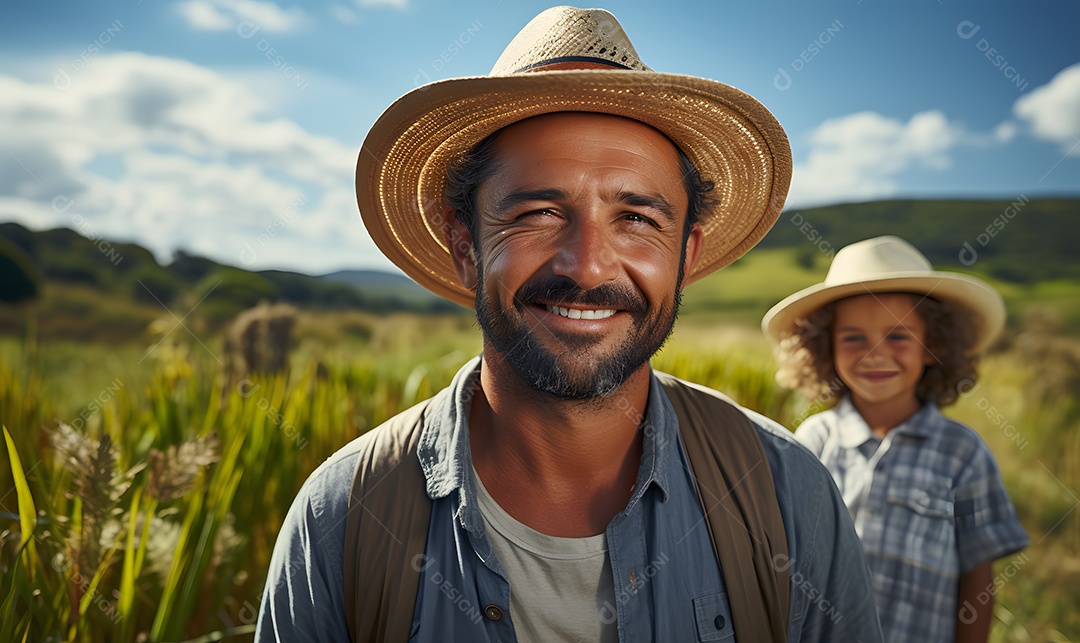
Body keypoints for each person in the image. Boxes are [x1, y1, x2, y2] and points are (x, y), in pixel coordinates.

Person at [256, 6, 883, 642]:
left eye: (637, 219)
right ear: (466, 244)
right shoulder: (342, 515)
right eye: (539, 212)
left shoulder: (782, 490)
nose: (586, 266)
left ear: (686, 256)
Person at [762, 235, 1029, 643]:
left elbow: (977, 575)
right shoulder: (813, 441)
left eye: (899, 335)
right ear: (824, 347)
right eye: (853, 337)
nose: (875, 354)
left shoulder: (963, 453)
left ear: (933, 345)